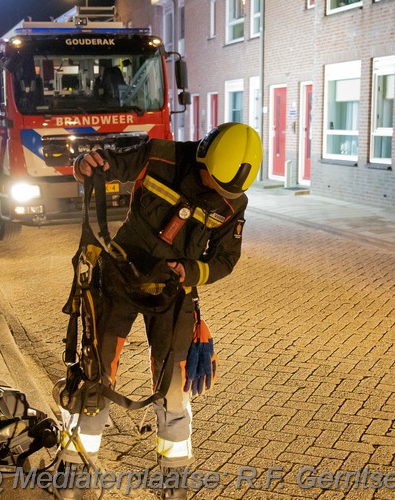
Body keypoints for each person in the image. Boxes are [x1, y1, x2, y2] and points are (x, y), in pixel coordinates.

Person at [60, 122, 262, 499]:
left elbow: (225, 259)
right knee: (96, 375)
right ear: (202, 156)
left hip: (176, 291)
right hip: (120, 276)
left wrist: (194, 272)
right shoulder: (160, 154)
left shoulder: (234, 203)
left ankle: (174, 475)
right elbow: (105, 164)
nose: (217, 194)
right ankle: (76, 466)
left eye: (226, 192)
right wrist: (83, 164)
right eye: (213, 183)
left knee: (174, 386)